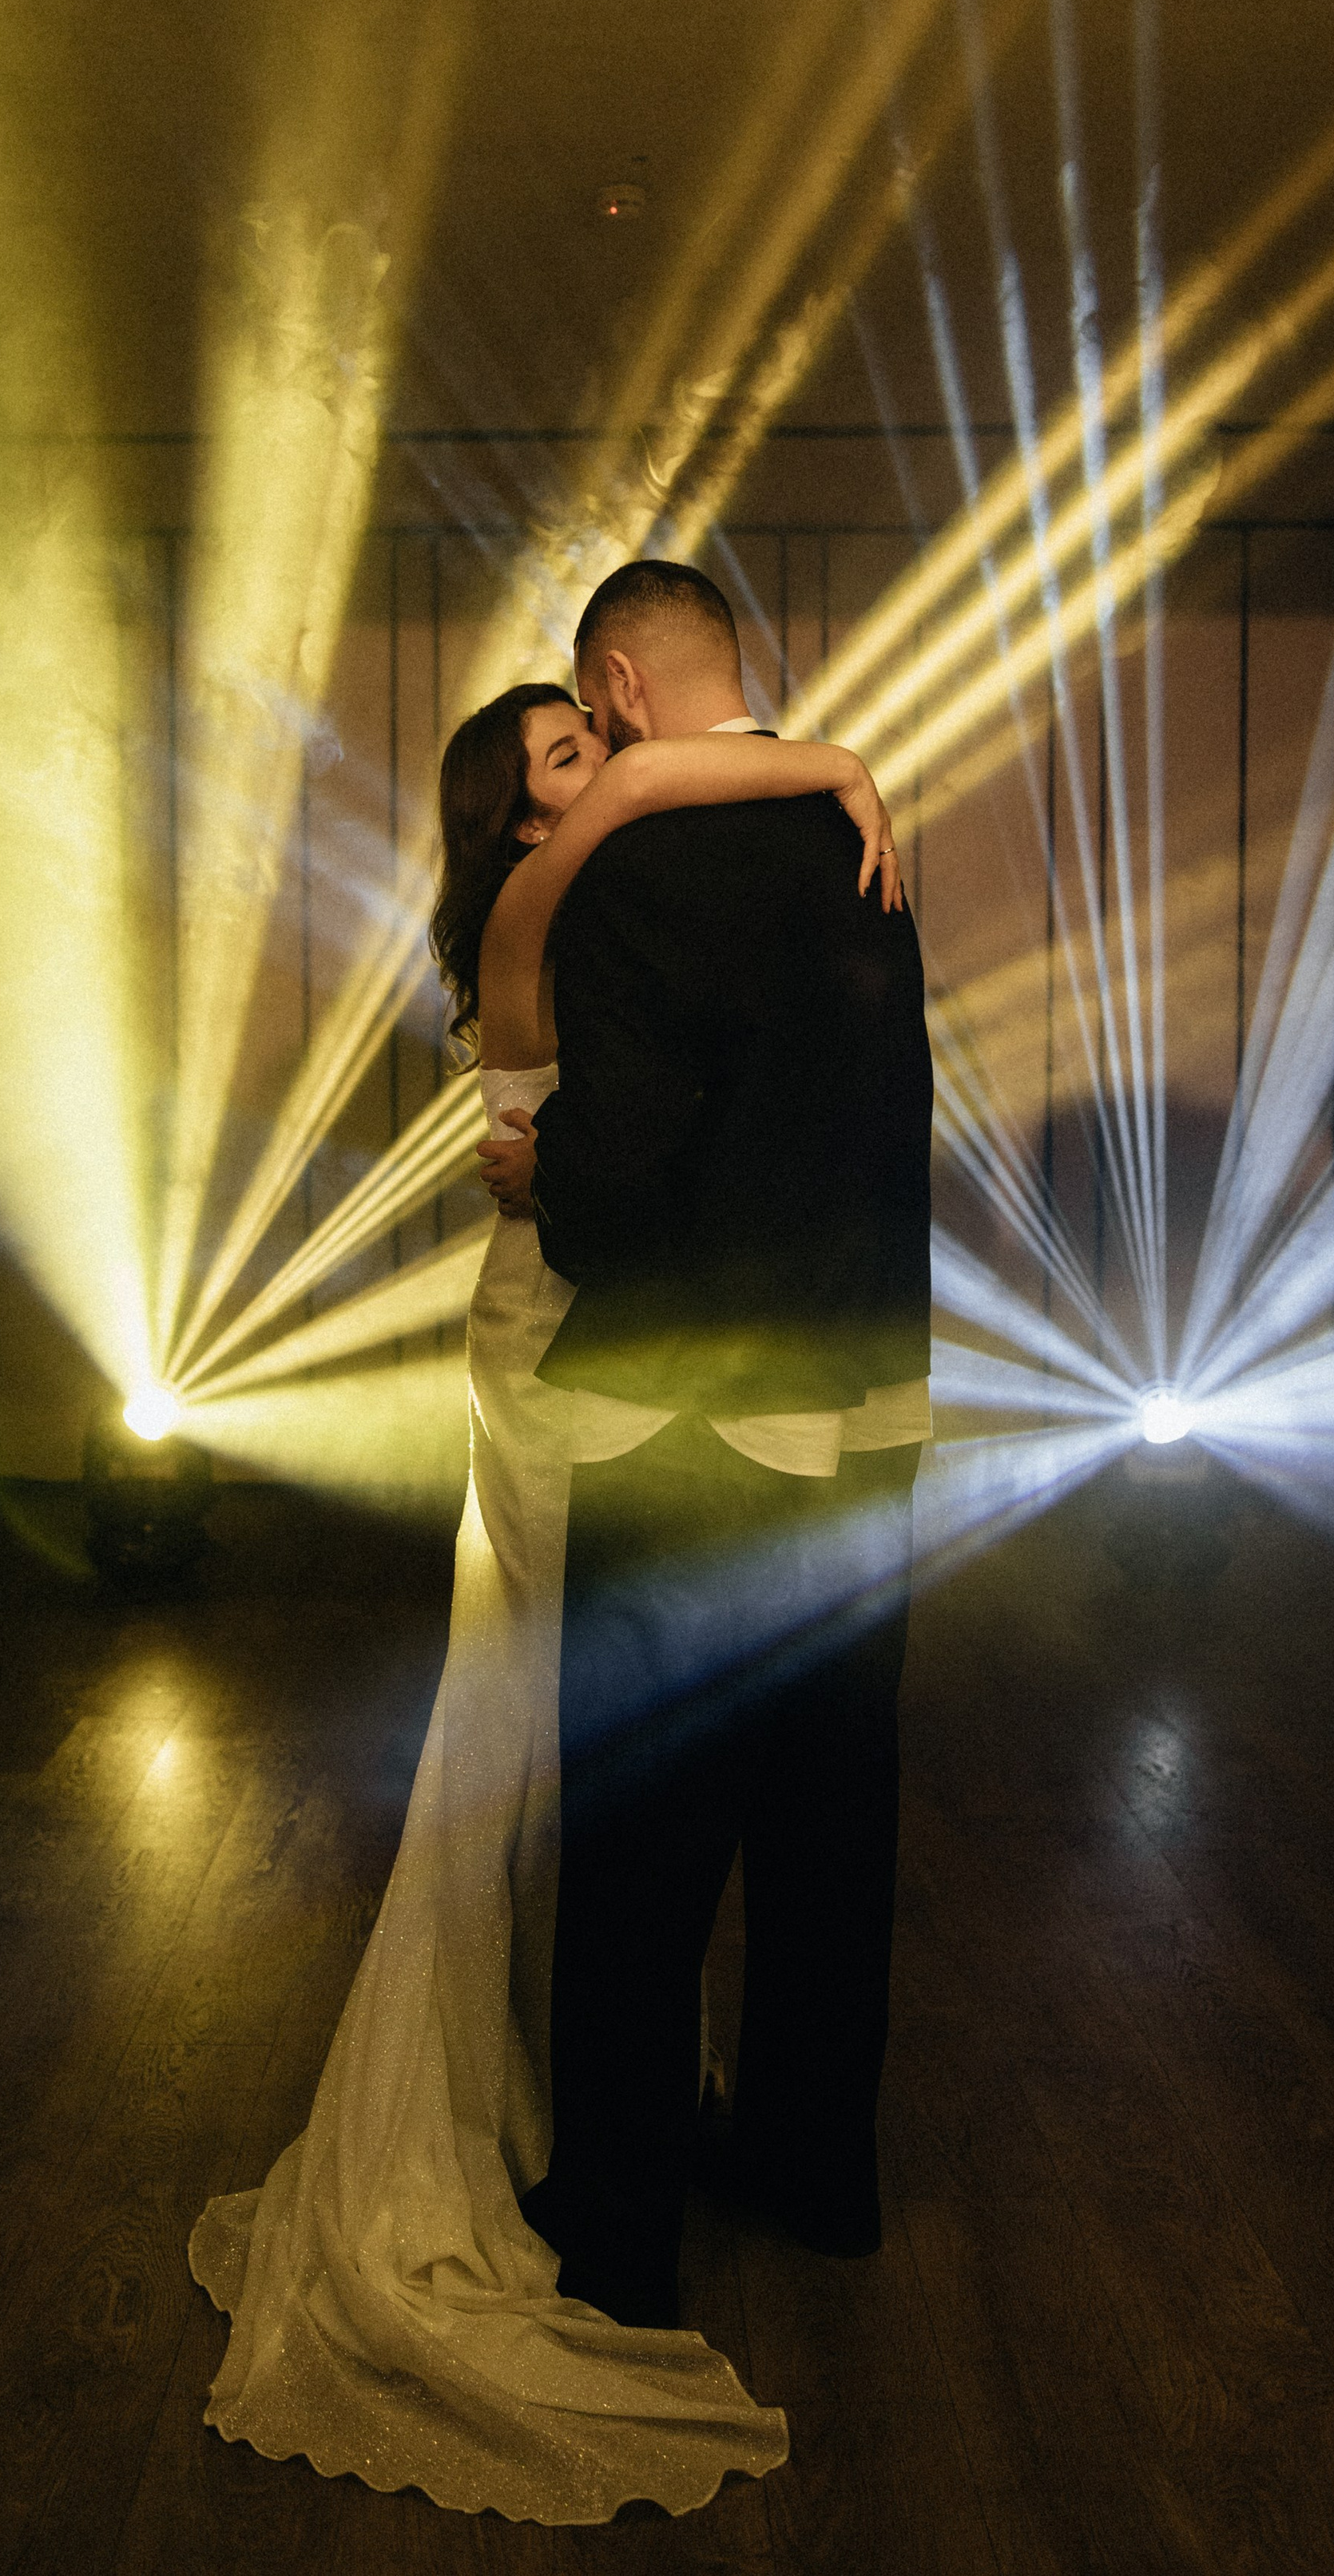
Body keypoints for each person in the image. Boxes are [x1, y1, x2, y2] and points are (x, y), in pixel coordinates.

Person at [189, 653, 903, 2522]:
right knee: (550, 1753)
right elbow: (642, 827)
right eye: (555, 765)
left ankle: (576, 2114)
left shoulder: (606, 901)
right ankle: (574, 2132)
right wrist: (823, 762)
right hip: (555, 1367)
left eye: (587, 738)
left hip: (614, 1338)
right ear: (513, 817)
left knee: (567, 1771)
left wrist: (787, 766)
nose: (591, 775)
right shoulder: (539, 905)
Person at [483, 560, 934, 2336]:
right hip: (869, 1407)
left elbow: (620, 1195)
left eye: (589, 726)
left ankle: (616, 2226)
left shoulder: (625, 867)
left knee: (644, 1841)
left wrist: (550, 1173)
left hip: (687, 1432)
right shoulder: (860, 850)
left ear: (614, 683)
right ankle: (817, 2174)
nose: (585, 754)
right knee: (834, 1826)